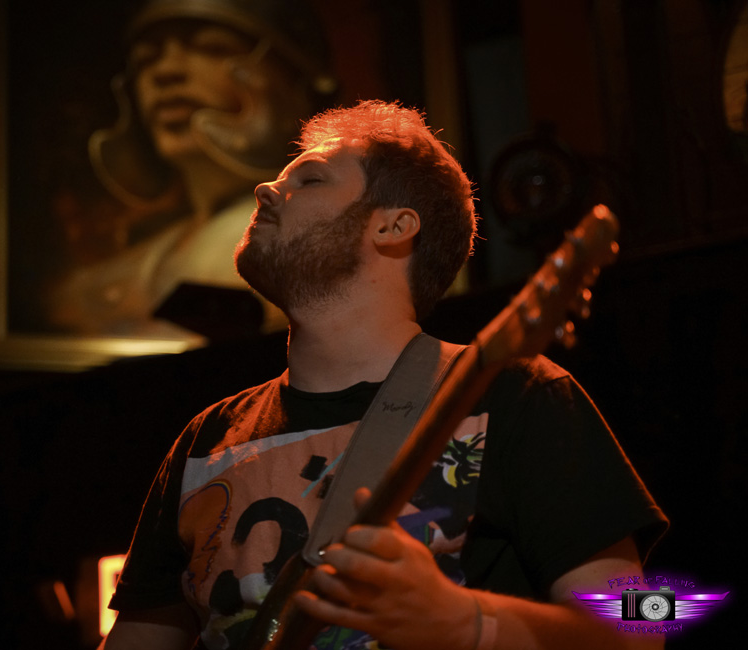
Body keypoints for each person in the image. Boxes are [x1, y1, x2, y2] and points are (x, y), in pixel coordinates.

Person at [99, 100, 668, 650]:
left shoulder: (517, 396)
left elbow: (643, 622)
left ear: (393, 226)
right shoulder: (205, 441)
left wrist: (472, 625)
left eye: (311, 179)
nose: (265, 189)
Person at [49, 0, 337, 342]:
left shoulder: (330, 237)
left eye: (213, 48)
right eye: (146, 60)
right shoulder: (101, 280)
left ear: (298, 83)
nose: (166, 71)